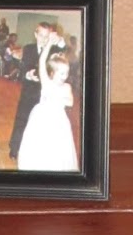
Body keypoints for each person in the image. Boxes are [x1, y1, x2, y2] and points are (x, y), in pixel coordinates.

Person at [16, 31, 79, 171]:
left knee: (57, 146)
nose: (65, 76)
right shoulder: (46, 82)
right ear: (52, 73)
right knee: (40, 143)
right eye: (61, 73)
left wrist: (58, 97)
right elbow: (41, 61)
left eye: (67, 73)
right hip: (42, 117)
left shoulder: (67, 86)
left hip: (59, 120)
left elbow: (70, 102)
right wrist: (49, 43)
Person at [8, 21, 53, 160]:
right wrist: (28, 74)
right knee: (22, 119)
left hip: (45, 94)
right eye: (41, 35)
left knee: (41, 122)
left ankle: (36, 150)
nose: (43, 39)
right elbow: (21, 71)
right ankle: (15, 148)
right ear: (35, 34)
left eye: (47, 36)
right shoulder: (28, 49)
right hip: (28, 92)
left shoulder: (53, 50)